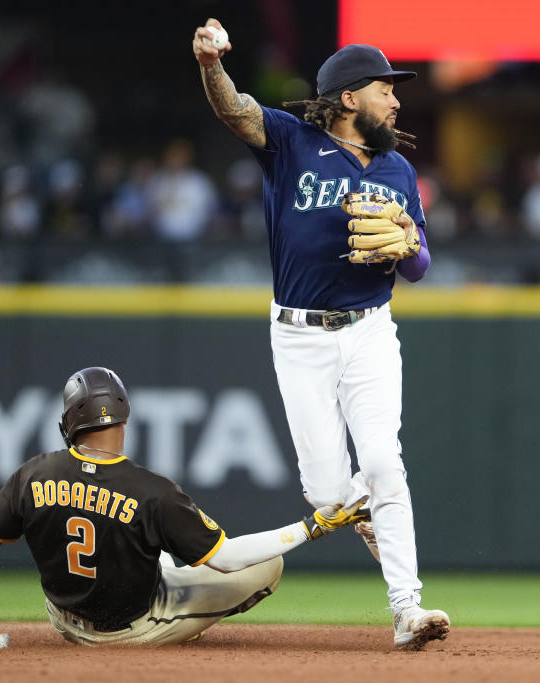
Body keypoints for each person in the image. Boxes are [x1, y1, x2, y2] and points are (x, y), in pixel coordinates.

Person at [192, 19, 449, 649]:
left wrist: (411, 241)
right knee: (330, 494)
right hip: (300, 337)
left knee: (385, 464)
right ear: (350, 97)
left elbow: (418, 269)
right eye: (385, 88)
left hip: (369, 332)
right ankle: (368, 513)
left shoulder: (396, 170)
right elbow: (237, 111)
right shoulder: (292, 141)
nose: (396, 98)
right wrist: (210, 65)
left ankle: (407, 608)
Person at [0, 367, 366, 647]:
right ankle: (173, 627)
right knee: (267, 565)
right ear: (124, 417)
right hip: (126, 630)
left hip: (62, 615)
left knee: (156, 547)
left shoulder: (33, 473)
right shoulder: (153, 492)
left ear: (69, 423)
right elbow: (226, 559)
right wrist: (310, 527)